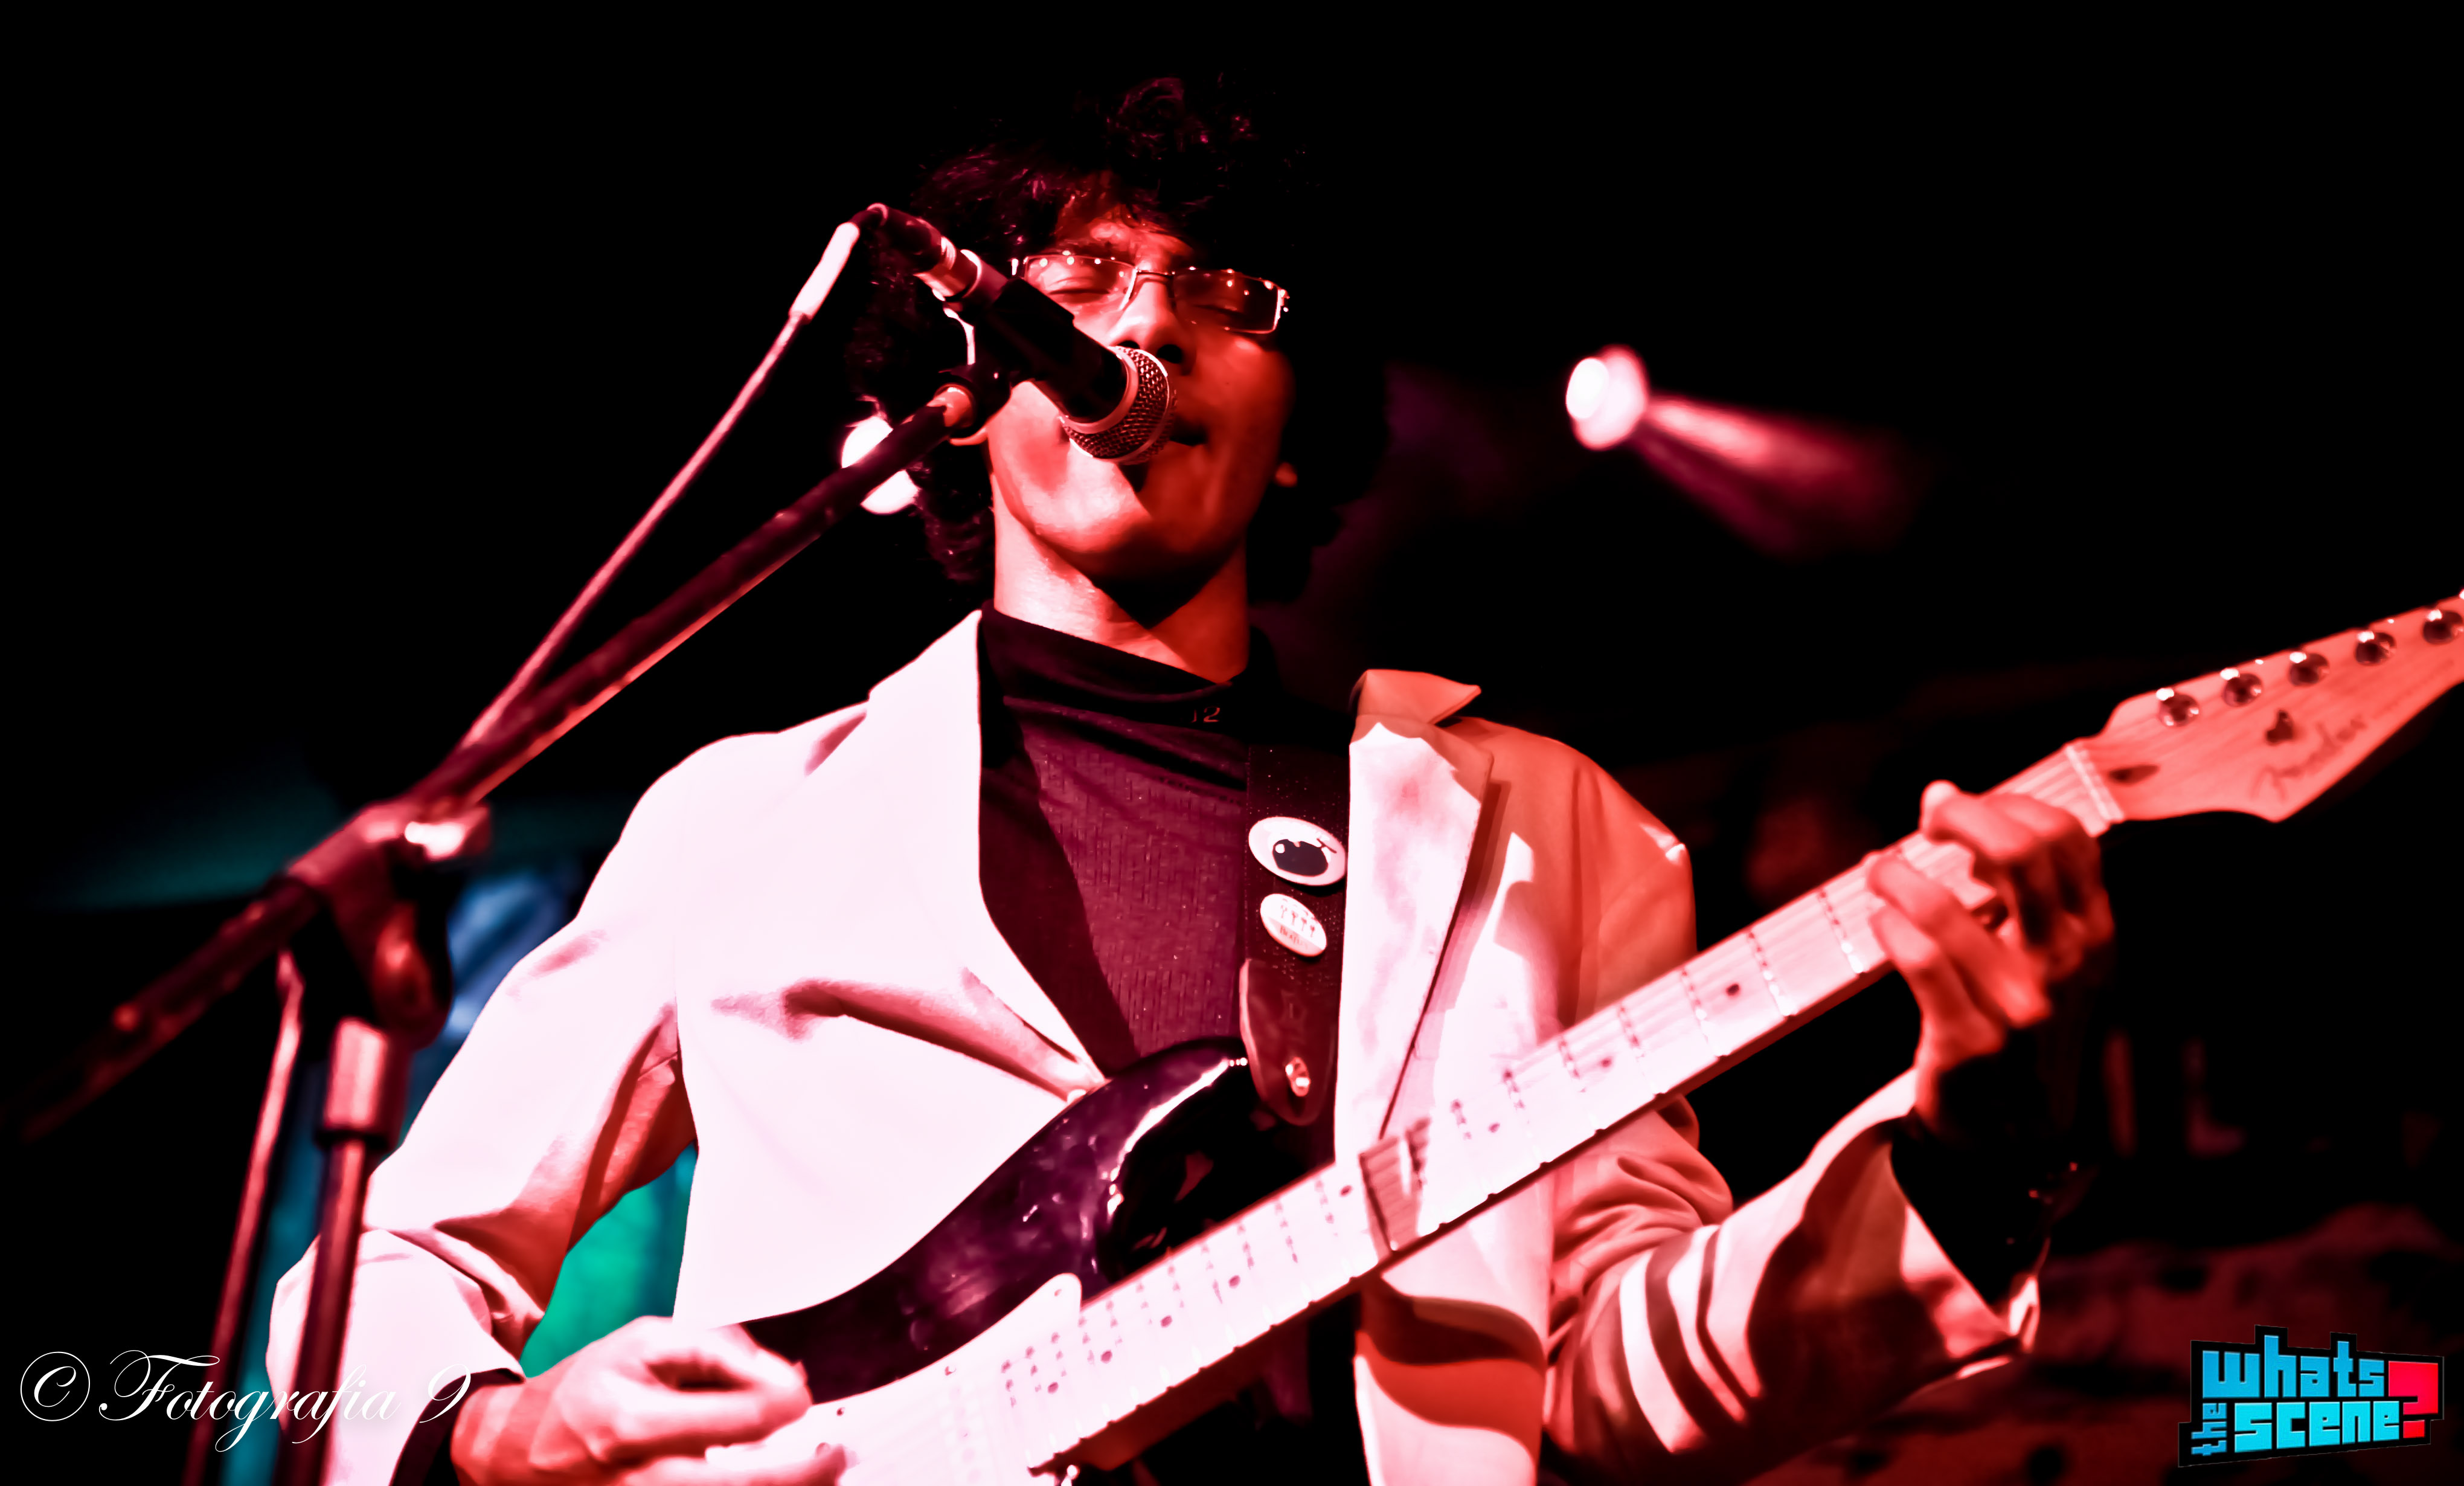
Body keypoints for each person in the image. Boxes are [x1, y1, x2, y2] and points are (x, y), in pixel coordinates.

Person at [268, 76, 2114, 1485]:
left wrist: (1973, 1145)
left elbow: (1613, 1371)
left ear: (1297, 421)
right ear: (973, 384)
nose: (1146, 325)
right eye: (1082, 274)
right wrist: (495, 1430)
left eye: (1225, 289)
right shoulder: (752, 816)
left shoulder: (1541, 831)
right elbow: (385, 1263)